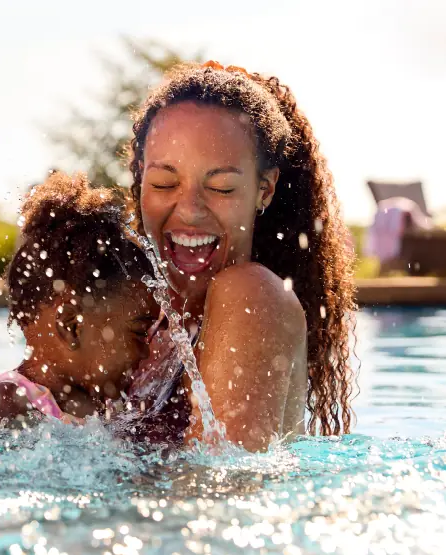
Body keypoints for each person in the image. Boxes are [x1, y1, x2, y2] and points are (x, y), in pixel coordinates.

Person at [126, 60, 356, 450]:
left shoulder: (250, 295)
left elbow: (220, 491)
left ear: (264, 190)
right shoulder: (148, 319)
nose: (189, 210)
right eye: (165, 183)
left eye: (221, 187)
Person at [0, 172, 160, 426]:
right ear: (71, 325)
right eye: (139, 332)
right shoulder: (10, 401)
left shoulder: (105, 404)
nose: (146, 351)